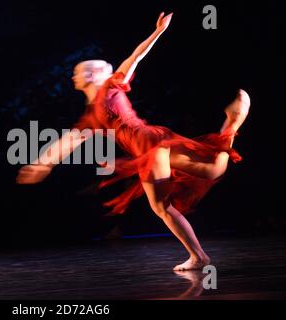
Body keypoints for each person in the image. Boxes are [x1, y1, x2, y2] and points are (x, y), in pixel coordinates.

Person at [16, 12, 251, 271]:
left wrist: (158, 31)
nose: (73, 77)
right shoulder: (91, 115)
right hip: (154, 141)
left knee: (164, 206)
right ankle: (232, 123)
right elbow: (69, 142)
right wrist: (42, 164)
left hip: (149, 145)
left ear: (93, 75)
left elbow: (135, 57)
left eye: (77, 73)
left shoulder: (111, 86)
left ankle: (200, 257)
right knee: (212, 170)